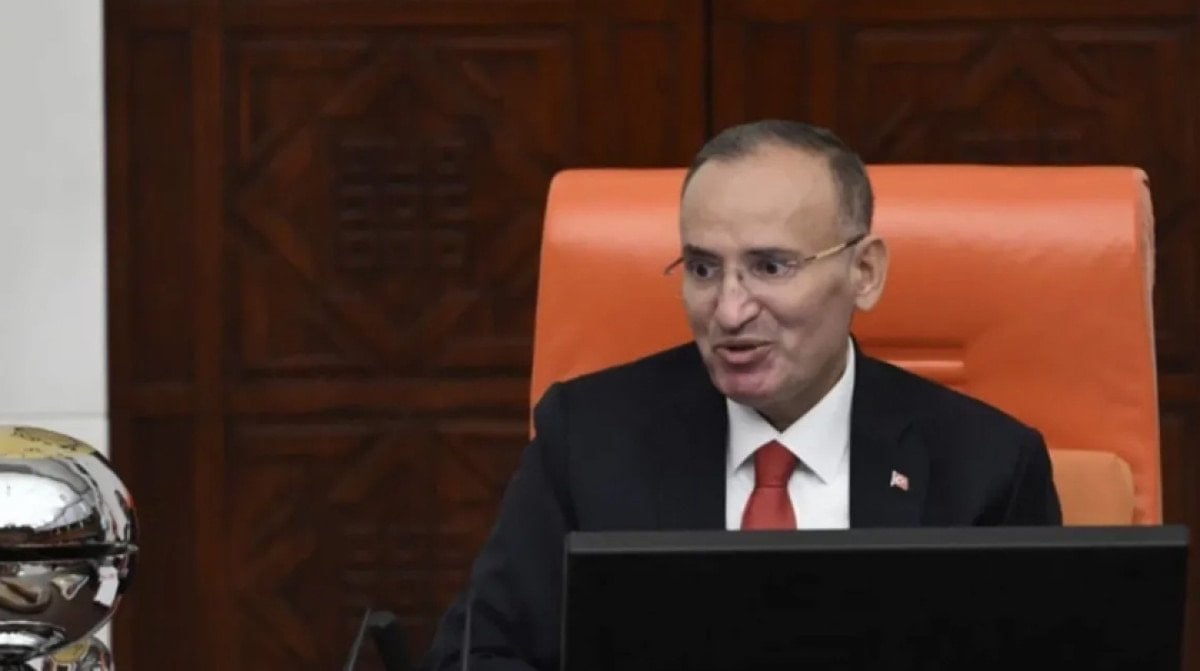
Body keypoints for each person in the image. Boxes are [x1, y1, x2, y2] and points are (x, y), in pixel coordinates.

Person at [420, 119, 1062, 671]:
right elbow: (477, 656)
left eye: (770, 267)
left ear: (864, 273)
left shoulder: (987, 467)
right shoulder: (586, 439)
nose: (729, 311)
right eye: (703, 269)